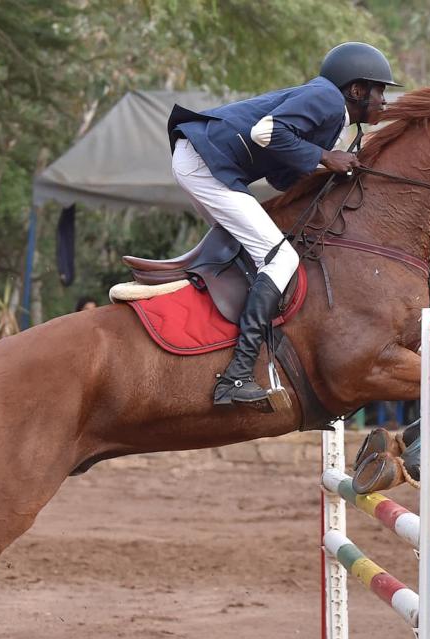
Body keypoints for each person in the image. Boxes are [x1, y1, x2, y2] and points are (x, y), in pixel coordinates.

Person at [167, 42, 400, 409]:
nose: (384, 101)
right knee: (279, 260)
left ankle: (221, 348)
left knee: (255, 254)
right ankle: (237, 375)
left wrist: (326, 166)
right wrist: (326, 157)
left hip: (203, 161)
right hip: (205, 165)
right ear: (356, 90)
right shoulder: (325, 98)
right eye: (380, 90)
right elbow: (266, 132)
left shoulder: (333, 117)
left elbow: (279, 174)